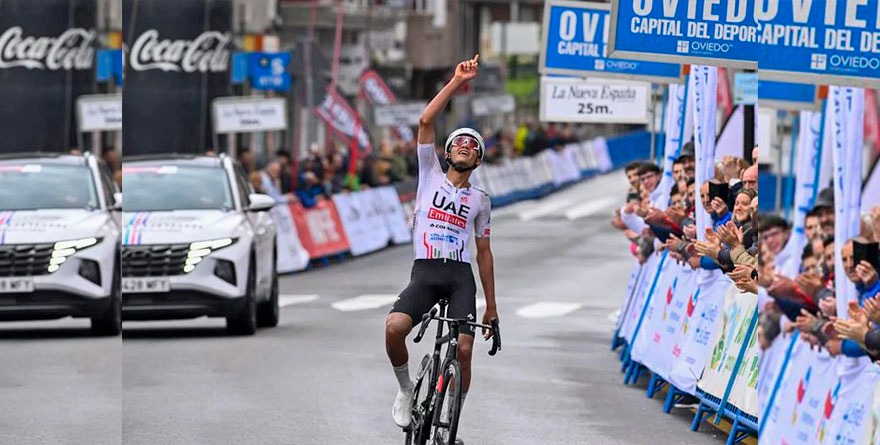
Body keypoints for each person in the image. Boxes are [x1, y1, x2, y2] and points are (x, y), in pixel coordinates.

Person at [384, 54, 498, 440]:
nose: (466, 146)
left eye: (473, 145)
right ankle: (404, 390)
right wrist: (456, 82)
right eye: (459, 142)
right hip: (427, 271)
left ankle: (453, 420)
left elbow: (484, 253)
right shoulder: (429, 175)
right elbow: (425, 121)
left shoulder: (481, 199)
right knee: (394, 328)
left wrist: (493, 308)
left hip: (460, 277)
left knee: (464, 352)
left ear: (478, 159)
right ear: (447, 153)